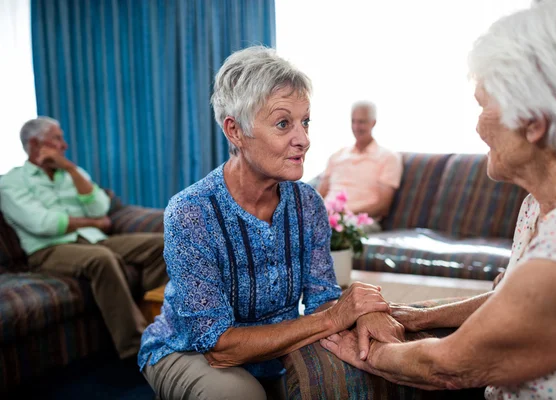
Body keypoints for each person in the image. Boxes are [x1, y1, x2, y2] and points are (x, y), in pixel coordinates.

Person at [320, 0, 556, 398]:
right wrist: (418, 315)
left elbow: (449, 365)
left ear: (534, 122)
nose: (478, 125)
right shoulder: (535, 206)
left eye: (484, 105)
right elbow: (509, 300)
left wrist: (367, 353)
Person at [138, 46, 395, 400]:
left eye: (305, 122)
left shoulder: (307, 203)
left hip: (275, 348)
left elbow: (322, 297)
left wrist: (361, 312)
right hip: (190, 350)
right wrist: (332, 320)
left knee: (352, 371)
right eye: (283, 123)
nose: (303, 139)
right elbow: (220, 346)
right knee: (239, 395)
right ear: (235, 131)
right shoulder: (190, 212)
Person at [0, 117, 169, 360]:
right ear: (36, 144)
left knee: (161, 244)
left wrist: (70, 169)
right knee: (102, 259)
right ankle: (136, 348)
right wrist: (95, 223)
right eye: (57, 138)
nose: (64, 145)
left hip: (93, 239)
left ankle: (158, 321)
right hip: (49, 249)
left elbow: (100, 206)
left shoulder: (71, 172)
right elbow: (43, 224)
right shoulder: (12, 182)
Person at [317, 101, 402, 231]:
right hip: (326, 218)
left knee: (325, 233)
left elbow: (383, 207)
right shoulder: (337, 156)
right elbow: (319, 194)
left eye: (362, 122)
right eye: (353, 121)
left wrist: (343, 215)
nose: (356, 127)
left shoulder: (388, 157)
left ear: (373, 123)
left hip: (359, 222)